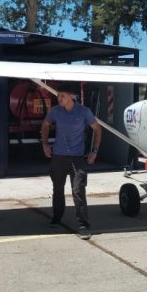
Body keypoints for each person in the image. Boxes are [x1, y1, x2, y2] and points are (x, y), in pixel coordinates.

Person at [40, 83, 102, 240]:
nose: (59, 98)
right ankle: (56, 217)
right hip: (58, 157)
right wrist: (45, 144)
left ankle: (83, 225)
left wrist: (94, 151)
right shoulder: (55, 111)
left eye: (62, 96)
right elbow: (45, 125)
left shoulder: (84, 112)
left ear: (72, 96)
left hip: (77, 157)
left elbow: (97, 129)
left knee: (78, 189)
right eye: (58, 95)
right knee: (58, 189)